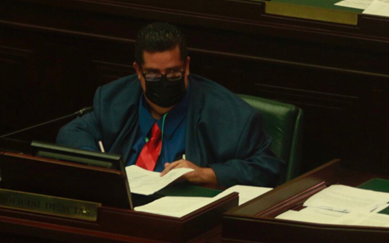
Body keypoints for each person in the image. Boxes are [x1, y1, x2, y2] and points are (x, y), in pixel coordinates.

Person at [57, 23, 284, 188]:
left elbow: (268, 168)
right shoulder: (115, 98)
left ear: (186, 66)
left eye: (173, 73)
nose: (164, 81)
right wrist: (100, 165)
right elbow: (72, 132)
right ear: (138, 71)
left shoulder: (229, 114)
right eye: (154, 75)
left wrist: (207, 174)